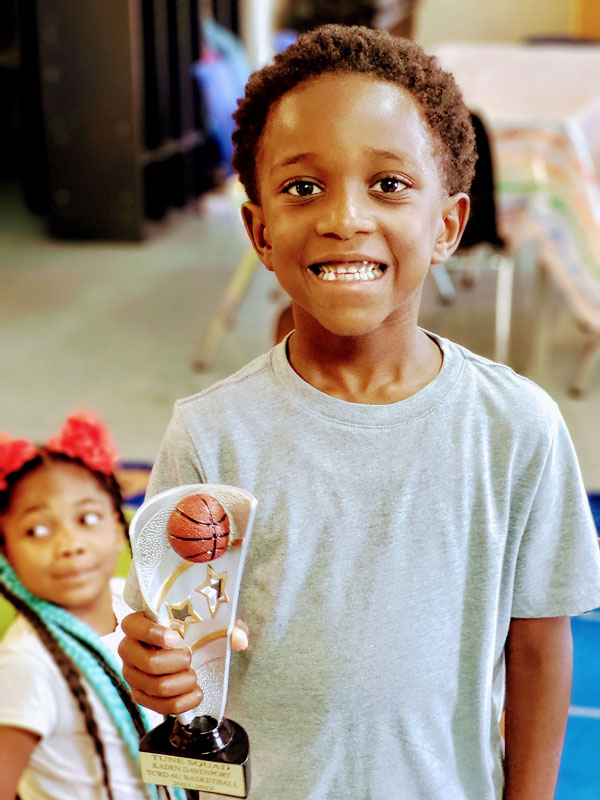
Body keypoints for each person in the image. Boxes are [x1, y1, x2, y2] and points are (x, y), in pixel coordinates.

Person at [118, 25, 600, 800]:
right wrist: (151, 667)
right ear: (260, 230)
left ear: (448, 224)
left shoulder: (520, 429)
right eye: (303, 187)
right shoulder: (211, 435)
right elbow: (173, 644)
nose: (345, 218)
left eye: (388, 184)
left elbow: (540, 649)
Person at [0, 412, 186, 800]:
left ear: (120, 529)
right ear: (7, 554)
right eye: (37, 530)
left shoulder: (136, 601)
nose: (70, 544)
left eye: (87, 518)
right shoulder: (25, 664)